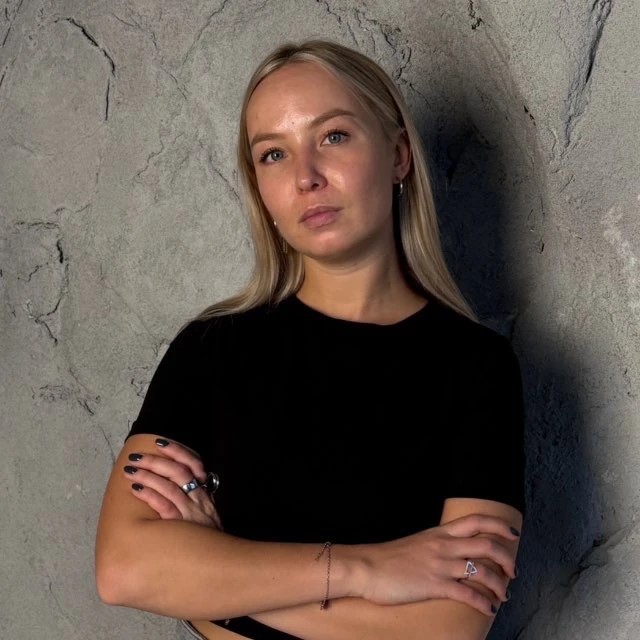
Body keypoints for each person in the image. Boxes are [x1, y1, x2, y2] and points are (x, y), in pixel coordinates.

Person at [95, 38, 526, 640]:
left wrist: (214, 577)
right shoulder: (209, 352)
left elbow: (447, 631)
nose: (306, 177)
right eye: (273, 154)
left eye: (334, 136)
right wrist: (366, 570)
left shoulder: (479, 368)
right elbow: (124, 570)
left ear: (399, 154)